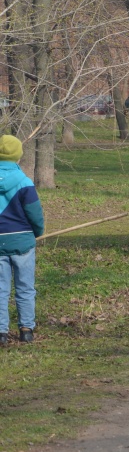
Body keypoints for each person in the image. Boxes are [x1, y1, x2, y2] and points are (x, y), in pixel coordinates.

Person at [0, 135, 45, 346]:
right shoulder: (25, 182)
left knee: (0, 289)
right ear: (18, 156)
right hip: (23, 242)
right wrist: (38, 232)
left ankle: (1, 332)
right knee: (25, 287)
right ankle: (26, 330)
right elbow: (34, 213)